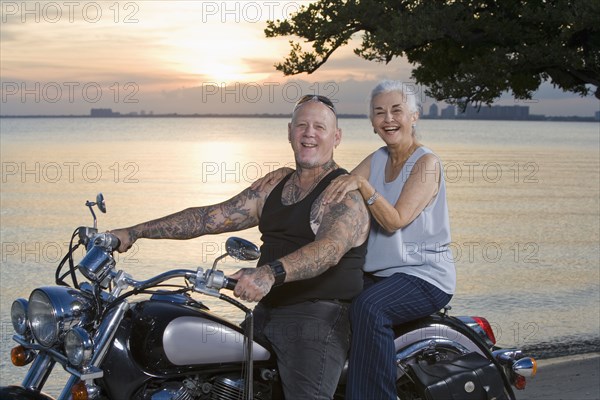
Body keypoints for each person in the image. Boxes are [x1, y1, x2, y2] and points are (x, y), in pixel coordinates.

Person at [110, 94, 370, 400]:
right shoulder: (274, 185)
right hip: (267, 312)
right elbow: (210, 218)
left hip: (316, 320)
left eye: (319, 127)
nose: (309, 133)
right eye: (301, 125)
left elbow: (329, 249)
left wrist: (269, 273)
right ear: (289, 132)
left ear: (336, 137)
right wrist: (134, 231)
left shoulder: (344, 194)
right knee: (212, 380)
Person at [322, 80, 456, 399]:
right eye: (379, 112)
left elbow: (394, 220)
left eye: (397, 110)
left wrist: (364, 187)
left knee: (370, 308)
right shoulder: (378, 158)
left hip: (424, 275)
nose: (388, 119)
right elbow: (338, 196)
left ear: (415, 115)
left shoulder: (426, 163)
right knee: (323, 301)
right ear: (372, 123)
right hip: (379, 275)